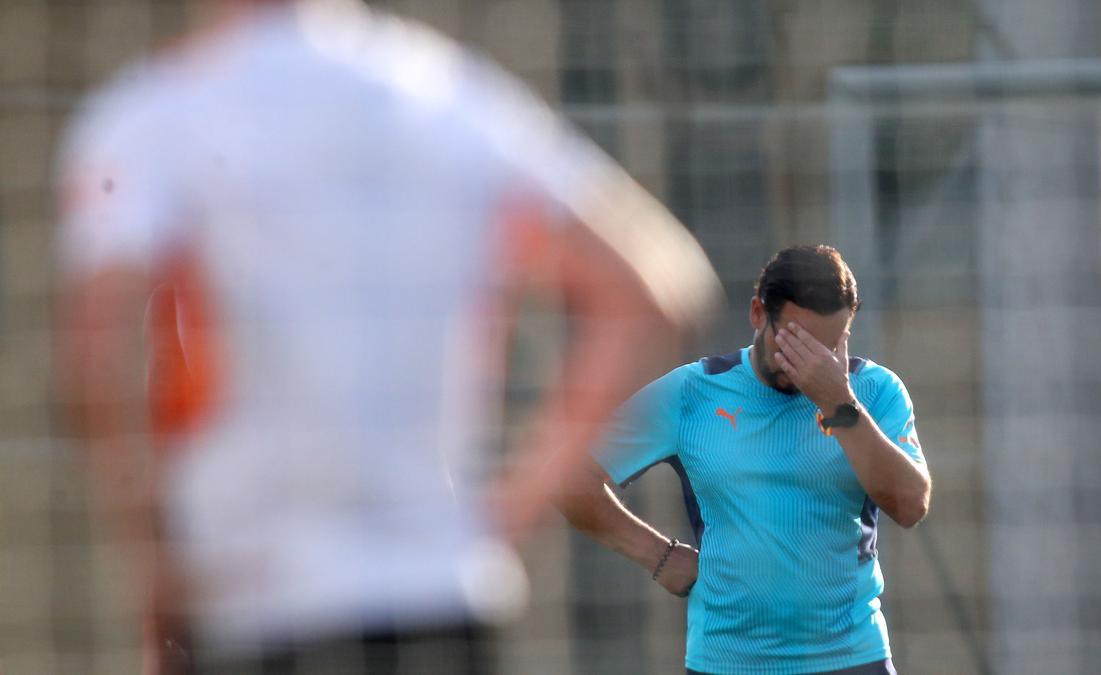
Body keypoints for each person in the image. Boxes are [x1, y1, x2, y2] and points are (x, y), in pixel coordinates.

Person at [56, 0, 720, 673]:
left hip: (250, 598)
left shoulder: (160, 112)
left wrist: (155, 561)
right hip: (437, 601)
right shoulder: (450, 96)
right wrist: (506, 518)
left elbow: (94, 344)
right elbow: (652, 289)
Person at [559, 245, 932, 674]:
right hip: (727, 661)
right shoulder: (694, 393)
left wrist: (838, 402)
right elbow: (571, 478)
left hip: (851, 657)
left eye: (828, 347)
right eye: (794, 341)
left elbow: (910, 505)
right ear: (758, 314)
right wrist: (657, 555)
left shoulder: (875, 391)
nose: (808, 363)